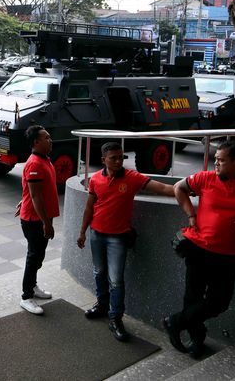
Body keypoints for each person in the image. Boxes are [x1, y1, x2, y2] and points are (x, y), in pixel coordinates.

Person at [165, 141, 235, 358]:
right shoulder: (205, 178)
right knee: (193, 297)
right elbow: (179, 187)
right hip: (198, 247)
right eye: (216, 159)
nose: (215, 163)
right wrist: (191, 214)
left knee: (219, 303)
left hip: (229, 253)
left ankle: (175, 321)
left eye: (221, 160)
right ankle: (197, 341)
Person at [76, 142, 175, 341]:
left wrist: (188, 189)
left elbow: (163, 187)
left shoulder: (132, 178)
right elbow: (89, 207)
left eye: (121, 157)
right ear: (103, 160)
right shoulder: (95, 179)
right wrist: (82, 232)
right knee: (99, 272)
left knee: (116, 280)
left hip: (117, 238)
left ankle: (115, 318)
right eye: (114, 158)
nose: (119, 161)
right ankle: (102, 305)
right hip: (96, 234)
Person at [17, 125, 59, 315]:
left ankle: (33, 287)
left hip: (40, 217)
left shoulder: (44, 159)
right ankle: (26, 297)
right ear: (36, 142)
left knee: (38, 256)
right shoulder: (34, 163)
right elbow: (36, 196)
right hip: (35, 219)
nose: (50, 140)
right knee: (34, 256)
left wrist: (23, 198)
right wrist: (47, 224)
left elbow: (32, 190)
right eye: (46, 138)